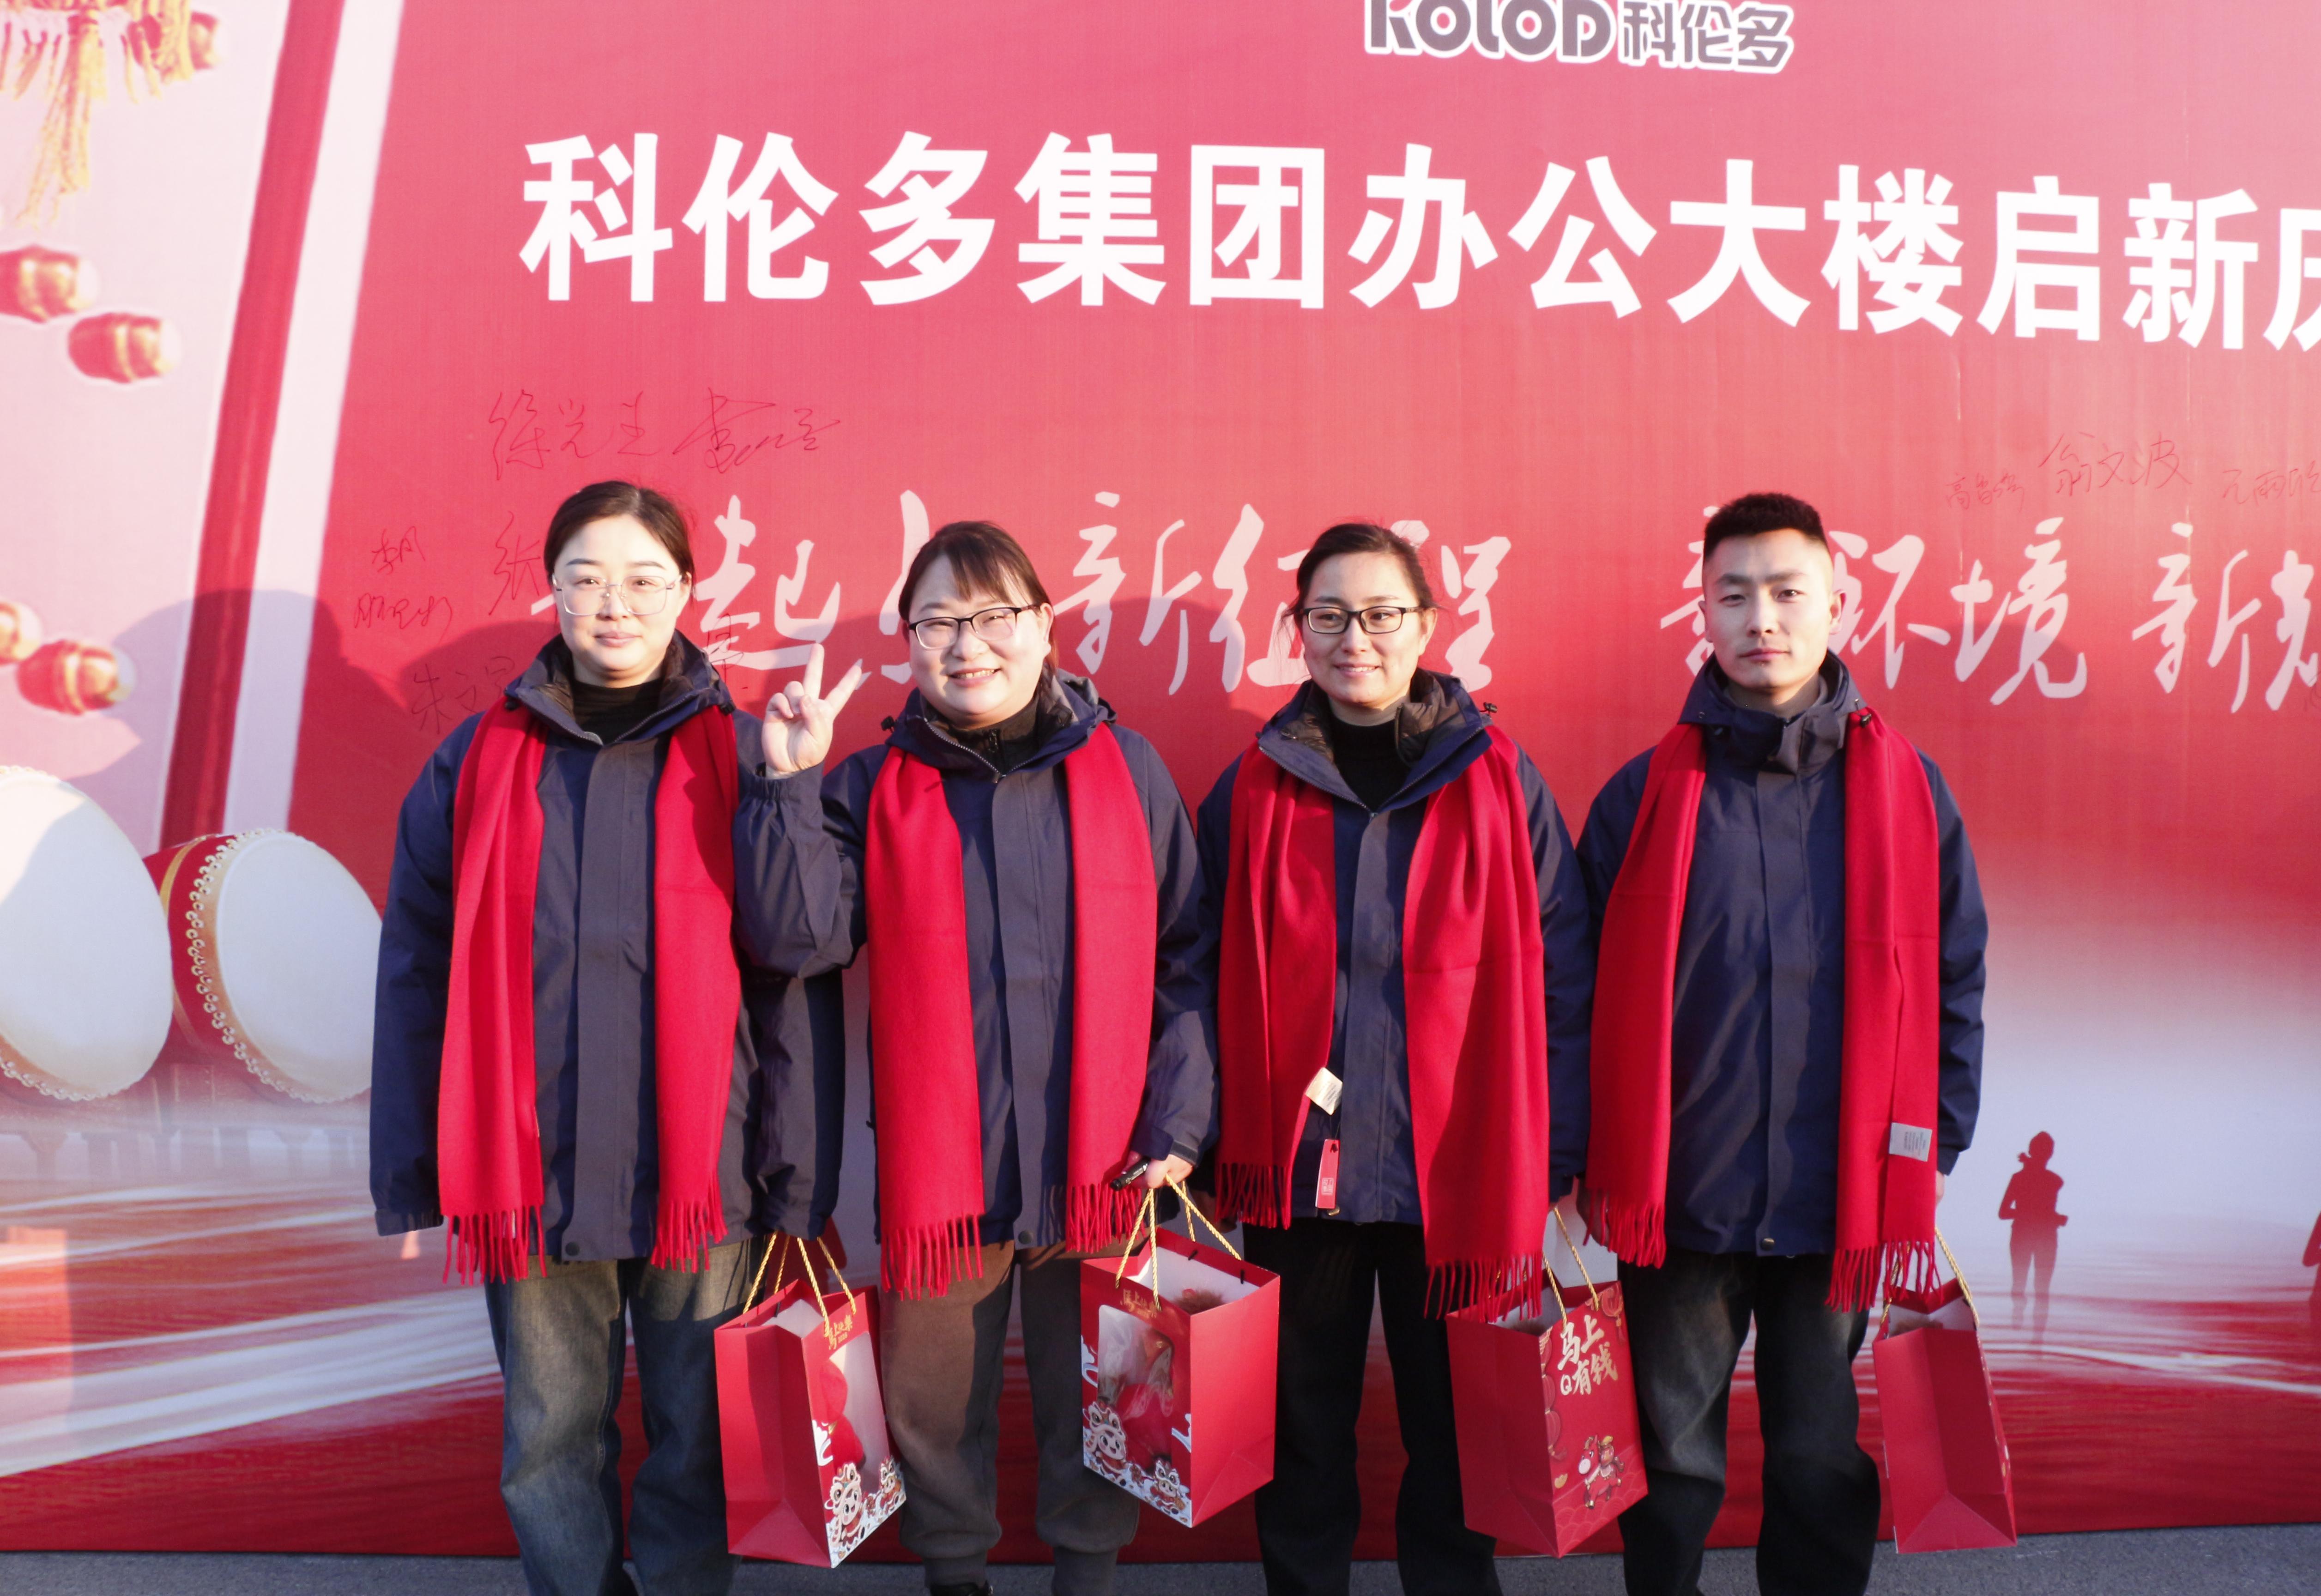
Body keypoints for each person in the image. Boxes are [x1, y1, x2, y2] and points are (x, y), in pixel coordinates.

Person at [370, 480, 839, 1596]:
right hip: (527, 1161)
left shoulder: (745, 749)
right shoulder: (476, 760)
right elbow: (416, 970)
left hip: (702, 1163)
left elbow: (804, 947)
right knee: (548, 1436)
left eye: (641, 579)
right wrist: (417, 1165)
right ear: (553, 589)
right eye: (586, 578)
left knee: (697, 1433)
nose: (613, 603)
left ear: (686, 590)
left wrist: (791, 788)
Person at [734, 519, 1215, 1596]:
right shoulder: (870, 784)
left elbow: (1187, 955)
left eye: (992, 616)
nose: (966, 645)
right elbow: (800, 940)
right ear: (909, 642)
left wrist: (1179, 1121)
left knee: (1108, 1394)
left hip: (1109, 1163)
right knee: (931, 1401)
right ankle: (954, 1575)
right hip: (943, 1173)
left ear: (1043, 625)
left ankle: (1086, 1575)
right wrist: (790, 788)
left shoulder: (1126, 770)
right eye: (936, 623)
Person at [1576, 492, 1988, 1596]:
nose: (1762, 617)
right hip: (1679, 1189)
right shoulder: (1642, 796)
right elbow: (1577, 989)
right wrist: (1580, 1155)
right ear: (1703, 613)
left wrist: (1936, 1139)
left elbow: (1955, 974)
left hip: (1836, 1191)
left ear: (1836, 605)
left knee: (1816, 1455)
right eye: (1734, 594)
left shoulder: (1907, 791)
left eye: (1787, 591)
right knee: (1673, 1460)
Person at [1199, 521, 1596, 1596]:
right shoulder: (1257, 785)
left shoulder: (1500, 780)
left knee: (1458, 1427)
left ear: (1425, 625)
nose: (1354, 638)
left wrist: (1556, 1146)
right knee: (1301, 1428)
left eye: (1380, 614)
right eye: (1328, 615)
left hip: (1456, 1167)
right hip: (1300, 1170)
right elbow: (1198, 964)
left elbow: (1564, 971)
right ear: (1298, 628)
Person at [1998, 1132, 2067, 1337]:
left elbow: (2004, 1213)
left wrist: (2037, 1215)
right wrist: (2050, 1217)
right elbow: (2003, 1213)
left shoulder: (2026, 1179)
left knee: (2028, 1285)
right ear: (2051, 1153)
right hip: (2038, 1236)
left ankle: (2033, 1333)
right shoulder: (2054, 1181)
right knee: (2035, 1288)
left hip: (2032, 1236)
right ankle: (2036, 1337)